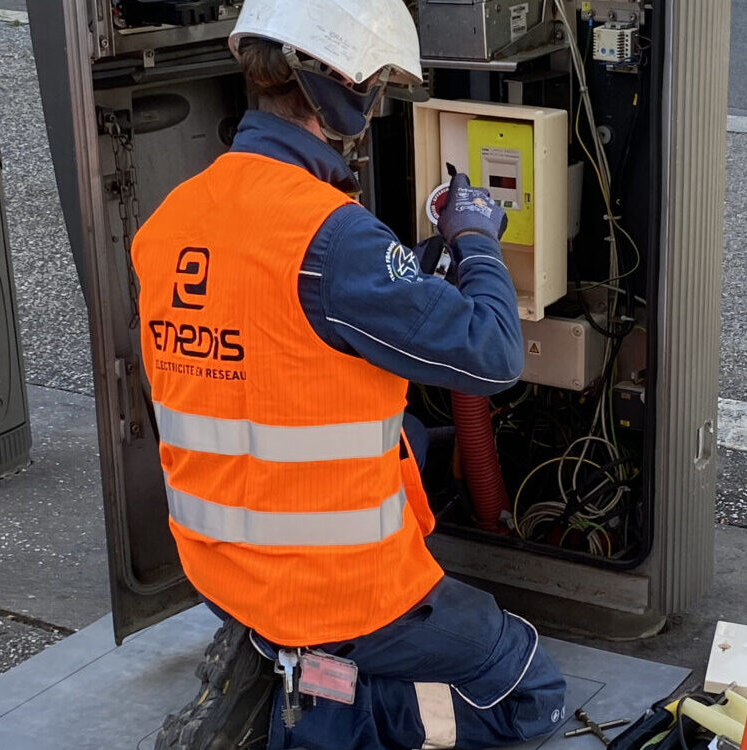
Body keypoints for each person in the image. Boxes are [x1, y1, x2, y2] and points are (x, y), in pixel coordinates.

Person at [130, 1, 567, 748]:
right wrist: (474, 239)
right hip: (335, 591)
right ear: (345, 85)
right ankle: (326, 702)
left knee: (411, 438)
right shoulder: (332, 238)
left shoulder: (169, 219)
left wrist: (408, 282)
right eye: (379, 85)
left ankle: (286, 657)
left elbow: (274, 341)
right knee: (530, 692)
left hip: (222, 573)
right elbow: (492, 353)